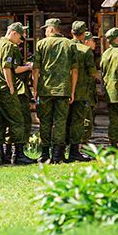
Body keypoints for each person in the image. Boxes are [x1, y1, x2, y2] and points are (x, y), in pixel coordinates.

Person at [32, 18, 78, 164]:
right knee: (60, 122)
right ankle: (57, 155)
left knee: (44, 121)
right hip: (63, 90)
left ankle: (44, 154)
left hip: (45, 89)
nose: (45, 32)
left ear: (51, 29)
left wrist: (35, 88)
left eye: (46, 29)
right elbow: (74, 70)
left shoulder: (41, 44)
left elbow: (36, 69)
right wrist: (72, 91)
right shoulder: (69, 44)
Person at [0, 22, 36, 165]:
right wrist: (11, 86)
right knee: (17, 121)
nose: (20, 40)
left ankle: (1, 156)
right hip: (6, 89)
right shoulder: (9, 46)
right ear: (13, 33)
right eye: (20, 36)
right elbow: (8, 68)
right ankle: (18, 155)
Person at [67, 21, 96, 162]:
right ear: (84, 34)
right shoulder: (85, 51)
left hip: (64, 91)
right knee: (78, 122)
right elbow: (92, 72)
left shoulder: (65, 46)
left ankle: (58, 152)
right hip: (81, 92)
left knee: (63, 121)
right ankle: (74, 152)